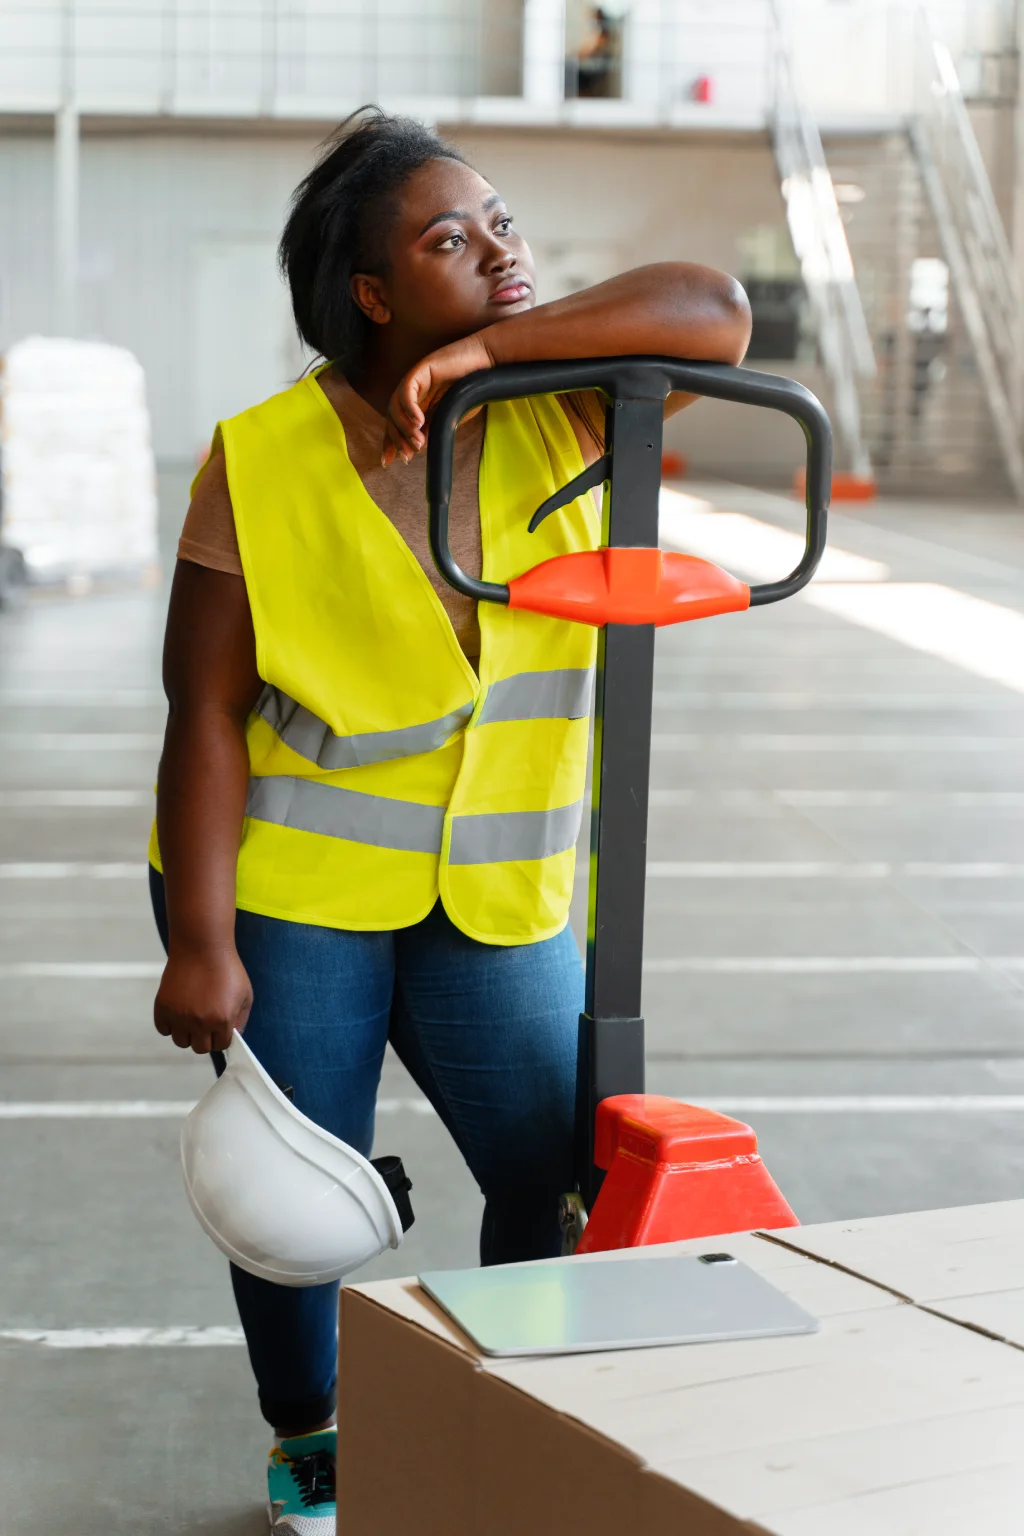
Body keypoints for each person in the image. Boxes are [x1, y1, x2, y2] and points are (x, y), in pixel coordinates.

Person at [150, 106, 750, 1534]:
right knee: (295, 1199)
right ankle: (309, 1440)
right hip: (300, 898)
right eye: (447, 240)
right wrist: (200, 940)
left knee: (546, 1178)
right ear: (369, 292)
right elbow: (204, 716)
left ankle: (513, 1407)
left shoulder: (569, 408)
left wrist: (483, 349)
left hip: (503, 893)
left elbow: (712, 310)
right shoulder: (262, 458)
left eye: (503, 225)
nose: (498, 252)